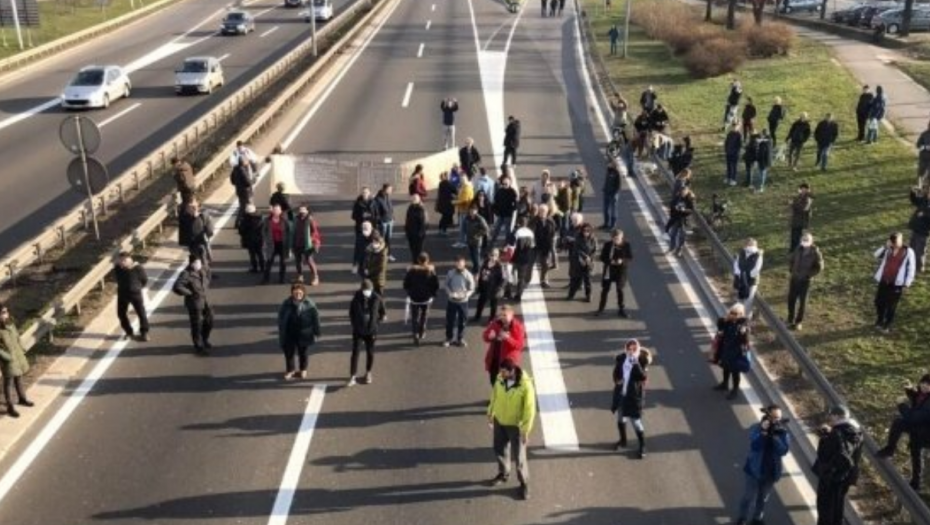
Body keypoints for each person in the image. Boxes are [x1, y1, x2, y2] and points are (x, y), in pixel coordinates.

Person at [487, 358, 536, 501]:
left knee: (520, 456)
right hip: (500, 421)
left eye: (504, 372)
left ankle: (524, 483)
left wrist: (525, 430)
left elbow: (529, 410)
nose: (500, 374)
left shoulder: (525, 386)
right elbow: (494, 395)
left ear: (512, 371)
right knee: (499, 449)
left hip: (516, 426)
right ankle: (503, 473)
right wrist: (490, 412)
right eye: (500, 371)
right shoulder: (500, 378)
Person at [735, 405, 792, 525]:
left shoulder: (782, 432)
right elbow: (755, 446)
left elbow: (783, 451)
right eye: (775, 417)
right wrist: (763, 433)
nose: (778, 421)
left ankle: (757, 518)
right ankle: (742, 518)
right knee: (748, 497)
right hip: (754, 470)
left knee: (763, 499)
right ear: (768, 417)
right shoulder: (757, 428)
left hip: (771, 472)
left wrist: (774, 437)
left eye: (779, 418)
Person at [877, 374, 930, 490]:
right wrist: (910, 390)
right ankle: (890, 449)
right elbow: (917, 400)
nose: (924, 386)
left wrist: (901, 405)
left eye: (928, 385)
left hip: (925, 432)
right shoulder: (923, 395)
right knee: (900, 425)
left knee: (915, 448)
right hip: (919, 426)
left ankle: (916, 482)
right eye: (923, 383)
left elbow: (913, 417)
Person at [813, 405, 864, 525]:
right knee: (837, 507)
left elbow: (827, 454)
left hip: (832, 476)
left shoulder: (838, 432)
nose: (829, 418)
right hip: (845, 476)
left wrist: (827, 437)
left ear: (837, 416)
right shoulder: (856, 431)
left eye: (831, 415)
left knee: (826, 508)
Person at [277, 281, 321, 380]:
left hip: (304, 333)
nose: (298, 295)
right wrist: (281, 330)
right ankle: (290, 370)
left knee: (303, 352)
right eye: (295, 293)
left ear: (303, 293)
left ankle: (303, 369)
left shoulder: (309, 304)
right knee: (289, 352)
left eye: (300, 293)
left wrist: (317, 331)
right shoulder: (286, 304)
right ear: (292, 293)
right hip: (290, 332)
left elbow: (316, 318)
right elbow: (281, 318)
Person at [873, 232, 916, 333]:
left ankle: (887, 324)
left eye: (896, 241)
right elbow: (876, 255)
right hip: (884, 280)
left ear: (901, 240)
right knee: (879, 302)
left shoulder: (908, 251)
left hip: (896, 283)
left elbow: (911, 268)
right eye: (893, 241)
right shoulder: (888, 249)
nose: (895, 243)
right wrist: (885, 246)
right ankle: (880, 320)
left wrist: (907, 283)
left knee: (891, 305)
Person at [172, 255, 214, 354]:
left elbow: (208, 274)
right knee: (197, 325)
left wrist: (205, 285)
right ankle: (198, 346)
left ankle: (204, 339)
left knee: (210, 320)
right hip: (194, 303)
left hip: (205, 300)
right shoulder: (186, 274)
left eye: (200, 262)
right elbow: (177, 287)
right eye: (197, 263)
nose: (200, 264)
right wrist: (190, 293)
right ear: (192, 264)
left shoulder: (203, 269)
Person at [347, 279, 384, 387]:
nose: (366, 291)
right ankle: (353, 375)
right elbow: (351, 313)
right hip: (358, 331)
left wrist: (376, 324)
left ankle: (368, 373)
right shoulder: (356, 298)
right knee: (355, 353)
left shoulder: (377, 298)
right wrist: (355, 325)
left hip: (371, 331)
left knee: (370, 352)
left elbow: (382, 312)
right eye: (365, 289)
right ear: (361, 289)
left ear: (372, 289)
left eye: (368, 289)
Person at [0, 304, 33, 418]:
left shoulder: (10, 324)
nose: (5, 314)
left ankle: (22, 399)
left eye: (6, 312)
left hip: (17, 356)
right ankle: (10, 407)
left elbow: (17, 338)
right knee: (8, 383)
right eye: (2, 313)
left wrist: (22, 349)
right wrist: (6, 357)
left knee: (19, 378)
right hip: (8, 360)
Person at [786, 232, 824, 331]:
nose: (804, 242)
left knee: (802, 302)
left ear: (811, 242)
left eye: (807, 240)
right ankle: (790, 319)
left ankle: (798, 322)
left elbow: (819, 267)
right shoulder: (798, 249)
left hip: (805, 280)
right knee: (791, 299)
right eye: (803, 240)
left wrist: (809, 275)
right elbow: (792, 259)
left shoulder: (815, 253)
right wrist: (791, 269)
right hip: (794, 278)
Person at [714, 303, 751, 401]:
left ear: (741, 314)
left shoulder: (743, 326)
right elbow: (720, 328)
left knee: (735, 372)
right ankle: (724, 384)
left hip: (736, 352)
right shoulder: (727, 322)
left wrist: (744, 333)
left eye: (736, 314)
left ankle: (735, 390)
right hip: (726, 349)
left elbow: (745, 342)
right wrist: (723, 322)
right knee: (725, 367)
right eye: (732, 313)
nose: (733, 315)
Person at [483, 305, 526, 384]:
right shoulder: (496, 323)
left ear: (511, 315)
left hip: (507, 363)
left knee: (508, 385)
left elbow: (520, 346)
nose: (502, 318)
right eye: (500, 315)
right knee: (494, 383)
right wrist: (489, 336)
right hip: (494, 360)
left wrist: (508, 338)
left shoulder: (518, 327)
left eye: (505, 315)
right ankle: (497, 396)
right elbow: (485, 336)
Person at [403, 253, 439, 346]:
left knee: (414, 316)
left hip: (414, 297)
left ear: (418, 260)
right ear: (427, 261)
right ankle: (422, 331)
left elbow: (406, 284)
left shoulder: (411, 271)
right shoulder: (431, 271)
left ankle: (415, 333)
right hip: (426, 298)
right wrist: (433, 294)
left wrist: (409, 292)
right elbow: (435, 285)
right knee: (424, 315)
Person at [597, 228, 633, 317]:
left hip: (621, 271)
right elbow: (602, 257)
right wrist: (610, 261)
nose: (617, 240)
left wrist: (622, 261)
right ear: (612, 238)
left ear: (622, 237)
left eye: (618, 238)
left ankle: (621, 309)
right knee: (605, 290)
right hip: (609, 270)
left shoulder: (626, 245)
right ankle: (601, 308)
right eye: (615, 238)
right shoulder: (608, 245)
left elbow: (630, 257)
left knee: (620, 290)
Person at [114, 252, 149, 342]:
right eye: (121, 260)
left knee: (141, 313)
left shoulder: (138, 268)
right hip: (122, 294)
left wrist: (137, 287)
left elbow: (144, 280)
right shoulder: (117, 268)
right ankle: (129, 332)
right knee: (121, 314)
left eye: (124, 260)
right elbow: (117, 279)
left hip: (135, 294)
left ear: (130, 260)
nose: (122, 262)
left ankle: (144, 332)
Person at [444, 256, 475, 347]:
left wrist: (466, 295)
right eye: (457, 265)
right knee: (450, 321)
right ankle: (449, 338)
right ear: (455, 264)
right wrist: (449, 293)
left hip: (463, 302)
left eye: (461, 265)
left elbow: (472, 288)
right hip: (452, 301)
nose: (459, 267)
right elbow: (446, 285)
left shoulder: (468, 275)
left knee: (462, 321)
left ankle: (460, 339)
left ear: (464, 264)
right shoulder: (450, 273)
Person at [178, 200, 215, 273]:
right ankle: (203, 273)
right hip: (193, 242)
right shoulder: (185, 218)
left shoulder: (202, 215)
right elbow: (186, 229)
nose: (192, 209)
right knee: (199, 258)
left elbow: (209, 228)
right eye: (190, 207)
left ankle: (205, 273)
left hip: (202, 240)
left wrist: (208, 235)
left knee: (205, 257)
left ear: (198, 207)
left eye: (194, 207)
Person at [262, 204, 293, 285]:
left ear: (280, 211)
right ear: (272, 211)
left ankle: (282, 279)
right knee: (269, 262)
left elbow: (289, 232)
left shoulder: (285, 220)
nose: (276, 212)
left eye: (277, 210)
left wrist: (289, 247)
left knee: (283, 262)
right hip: (272, 244)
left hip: (282, 244)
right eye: (274, 210)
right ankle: (266, 279)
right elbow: (263, 231)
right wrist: (265, 240)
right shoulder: (267, 220)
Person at [733, 238, 764, 319]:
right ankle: (739, 317)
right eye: (747, 244)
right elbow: (736, 263)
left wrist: (748, 274)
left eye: (750, 244)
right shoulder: (742, 253)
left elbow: (757, 268)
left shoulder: (758, 255)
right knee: (740, 299)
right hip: (741, 279)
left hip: (752, 281)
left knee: (748, 301)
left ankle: (745, 320)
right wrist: (739, 273)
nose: (748, 246)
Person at [567, 223, 598, 302]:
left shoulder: (593, 239)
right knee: (576, 280)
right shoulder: (578, 238)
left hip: (588, 263)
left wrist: (590, 258)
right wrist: (585, 256)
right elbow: (577, 250)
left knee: (588, 281)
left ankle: (588, 296)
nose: (586, 232)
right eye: (584, 231)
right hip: (578, 263)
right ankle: (571, 295)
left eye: (588, 231)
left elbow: (595, 250)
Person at [292, 205, 321, 286]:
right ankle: (300, 276)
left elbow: (314, 232)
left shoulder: (310, 220)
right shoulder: (296, 219)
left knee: (309, 260)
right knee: (298, 260)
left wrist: (311, 239)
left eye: (304, 212)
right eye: (301, 212)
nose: (302, 214)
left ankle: (315, 277)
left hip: (308, 244)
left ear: (307, 212)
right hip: (297, 243)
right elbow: (293, 230)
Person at [474, 248, 506, 323]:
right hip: (484, 288)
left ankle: (491, 320)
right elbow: (481, 274)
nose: (494, 257)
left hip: (493, 289)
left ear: (498, 256)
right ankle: (477, 317)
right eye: (492, 255)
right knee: (480, 303)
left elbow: (503, 279)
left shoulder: (500, 266)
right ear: (489, 255)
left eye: (496, 255)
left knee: (493, 306)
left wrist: (498, 288)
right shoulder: (485, 262)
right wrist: (479, 285)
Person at [352, 188, 378, 272]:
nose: (365, 194)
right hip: (360, 229)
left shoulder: (373, 202)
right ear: (361, 193)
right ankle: (355, 265)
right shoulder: (357, 203)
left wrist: (371, 217)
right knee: (358, 248)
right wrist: (362, 216)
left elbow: (377, 215)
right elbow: (353, 216)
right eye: (363, 192)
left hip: (372, 229)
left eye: (366, 192)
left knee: (371, 247)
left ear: (369, 193)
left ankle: (368, 266)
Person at [511, 217, 536, 301]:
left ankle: (508, 291)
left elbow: (512, 246)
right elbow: (532, 245)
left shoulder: (516, 232)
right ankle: (519, 295)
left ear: (519, 223)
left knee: (510, 273)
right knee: (521, 277)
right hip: (526, 257)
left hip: (516, 256)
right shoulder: (530, 233)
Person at [236, 203, 265, 274]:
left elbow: (241, 230)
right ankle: (263, 267)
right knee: (260, 253)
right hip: (259, 239)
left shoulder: (246, 219)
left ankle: (254, 268)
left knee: (252, 254)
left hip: (249, 239)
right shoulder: (260, 218)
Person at [666, 187, 694, 258]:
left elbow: (691, 210)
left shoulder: (689, 200)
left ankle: (679, 249)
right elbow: (671, 205)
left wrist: (684, 210)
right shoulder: (677, 198)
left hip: (684, 220)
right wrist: (674, 208)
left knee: (682, 236)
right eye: (682, 192)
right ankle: (672, 248)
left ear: (687, 192)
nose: (683, 193)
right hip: (676, 218)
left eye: (684, 192)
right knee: (673, 234)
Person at [490, 174, 518, 246]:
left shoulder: (513, 192)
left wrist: (511, 210)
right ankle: (492, 241)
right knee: (496, 229)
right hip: (500, 214)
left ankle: (507, 243)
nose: (504, 185)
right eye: (503, 183)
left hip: (508, 215)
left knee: (507, 231)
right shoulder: (500, 191)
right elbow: (495, 201)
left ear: (509, 183)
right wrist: (495, 211)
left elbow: (516, 204)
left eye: (506, 183)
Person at [909, 187, 930, 273]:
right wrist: (912, 193)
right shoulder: (924, 200)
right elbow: (915, 201)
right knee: (912, 249)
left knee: (920, 251)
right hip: (916, 228)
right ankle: (912, 264)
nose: (928, 193)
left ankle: (920, 267)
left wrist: (924, 214)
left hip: (923, 231)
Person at [373, 184, 396, 262]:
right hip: (383, 222)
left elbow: (391, 208)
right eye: (390, 189)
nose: (391, 191)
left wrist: (393, 217)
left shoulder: (387, 196)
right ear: (385, 189)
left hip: (390, 221)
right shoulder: (377, 199)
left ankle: (388, 254)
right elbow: (376, 212)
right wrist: (379, 221)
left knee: (388, 239)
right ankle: (381, 255)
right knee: (382, 240)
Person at [789, 183, 813, 252]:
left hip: (802, 221)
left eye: (803, 189)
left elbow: (803, 208)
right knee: (793, 236)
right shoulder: (798, 197)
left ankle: (798, 250)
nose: (801, 190)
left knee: (799, 236)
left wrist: (793, 204)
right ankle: (793, 250)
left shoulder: (808, 199)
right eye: (801, 189)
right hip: (796, 220)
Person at [364, 231, 389, 298]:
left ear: (379, 242)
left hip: (379, 279)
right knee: (371, 296)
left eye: (375, 242)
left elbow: (381, 267)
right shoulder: (370, 249)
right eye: (373, 241)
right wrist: (365, 267)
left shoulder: (382, 252)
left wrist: (369, 272)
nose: (373, 244)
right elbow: (366, 260)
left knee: (379, 297)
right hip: (371, 277)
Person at [405, 194, 428, 262]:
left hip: (418, 234)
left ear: (419, 200)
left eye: (415, 199)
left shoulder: (421, 209)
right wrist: (406, 229)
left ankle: (418, 263)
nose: (413, 200)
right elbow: (407, 219)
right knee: (412, 249)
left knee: (418, 250)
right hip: (410, 233)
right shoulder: (410, 207)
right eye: (412, 199)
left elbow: (424, 223)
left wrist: (420, 233)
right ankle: (414, 261)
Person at [454, 175, 475, 249]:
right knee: (464, 227)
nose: (461, 181)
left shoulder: (466, 188)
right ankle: (463, 241)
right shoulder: (467, 187)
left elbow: (464, 201)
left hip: (464, 210)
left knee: (462, 227)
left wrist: (455, 202)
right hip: (465, 209)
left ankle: (462, 242)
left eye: (462, 180)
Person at [602, 159, 623, 229]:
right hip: (606, 192)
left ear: (613, 164)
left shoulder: (617, 173)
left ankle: (613, 225)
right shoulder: (608, 170)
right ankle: (606, 223)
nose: (608, 164)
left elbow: (619, 185)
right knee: (605, 209)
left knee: (613, 210)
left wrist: (615, 193)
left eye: (609, 163)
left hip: (613, 194)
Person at [436, 171, 456, 236]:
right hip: (447, 204)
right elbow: (454, 190)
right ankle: (443, 230)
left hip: (442, 204)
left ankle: (441, 229)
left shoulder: (441, 183)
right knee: (446, 217)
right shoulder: (447, 183)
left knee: (444, 217)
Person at [917, 122, 930, 188]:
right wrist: (925, 147)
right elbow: (918, 145)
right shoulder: (924, 134)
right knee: (921, 172)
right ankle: (920, 186)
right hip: (923, 157)